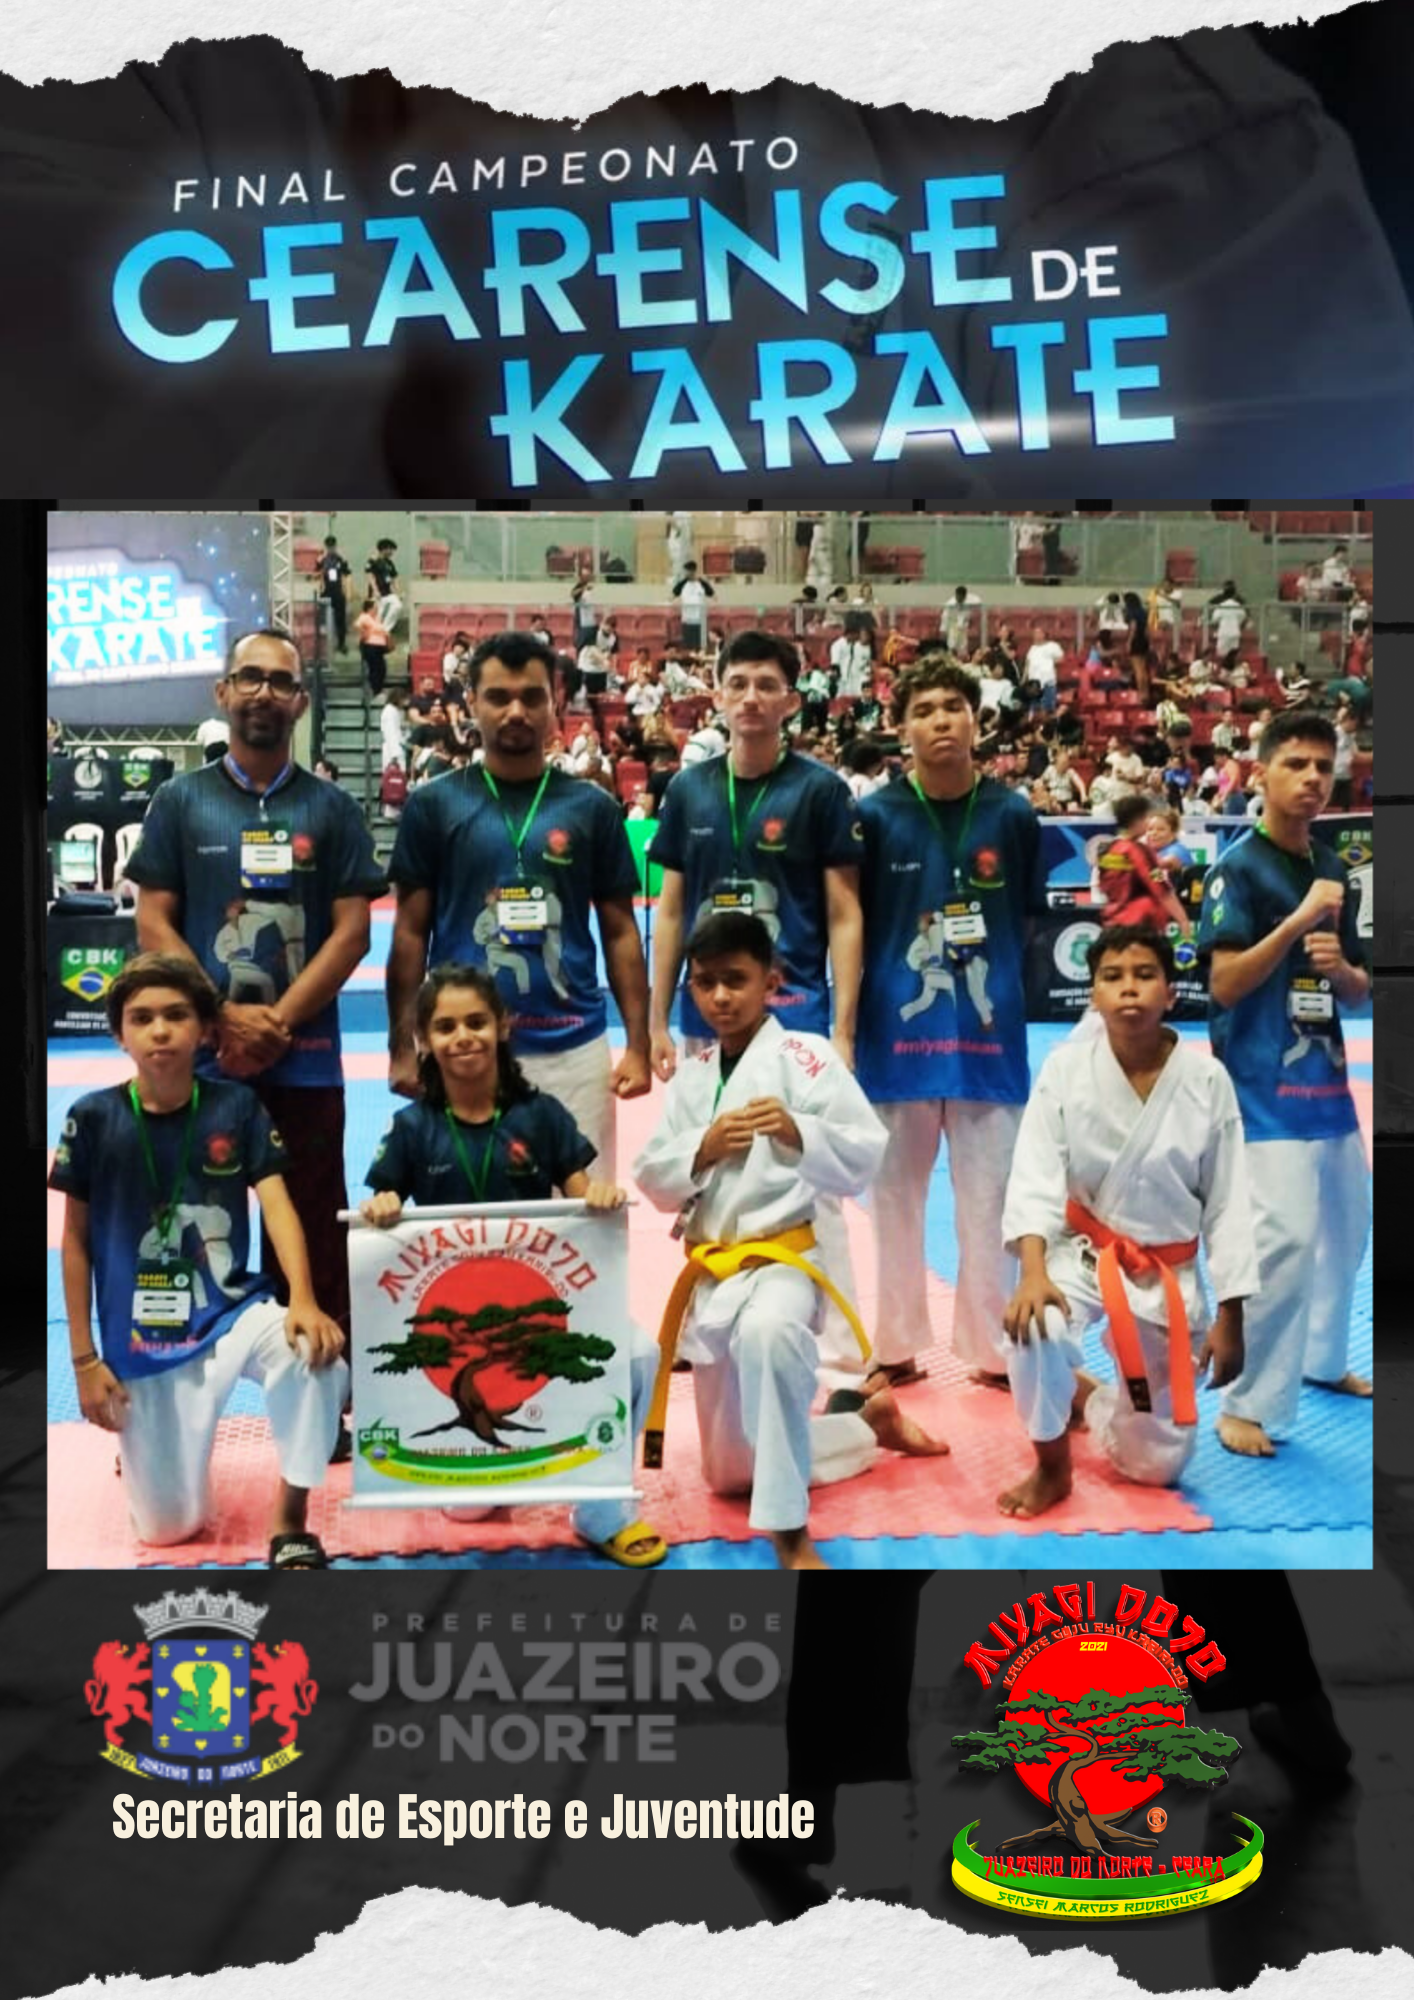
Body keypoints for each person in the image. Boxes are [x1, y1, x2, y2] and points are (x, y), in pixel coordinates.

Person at [633, 912, 946, 1570]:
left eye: (736, 980)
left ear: (771, 983)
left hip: (785, 1260)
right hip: (714, 1271)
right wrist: (703, 1147)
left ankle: (790, 1532)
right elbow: (652, 1177)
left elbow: (864, 1152)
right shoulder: (694, 1076)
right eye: (706, 984)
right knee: (729, 1475)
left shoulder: (808, 1059)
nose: (721, 997)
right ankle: (862, 1425)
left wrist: (797, 1130)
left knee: (770, 1336)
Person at [127, 630, 385, 1347]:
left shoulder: (332, 809)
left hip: (305, 1064)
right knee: (183, 1229)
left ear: (300, 701)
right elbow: (153, 921)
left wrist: (275, 1024)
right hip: (199, 1063)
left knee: (313, 1239)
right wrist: (221, 1019)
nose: (263, 692)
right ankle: (170, 1380)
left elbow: (352, 933)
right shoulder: (180, 801)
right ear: (223, 693)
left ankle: (322, 1391)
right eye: (249, 677)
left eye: (280, 681)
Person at [360, 965, 667, 1568]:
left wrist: (598, 1196)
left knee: (638, 1354)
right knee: (470, 1509)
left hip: (539, 1309)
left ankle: (602, 1508)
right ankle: (490, 1461)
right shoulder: (412, 1128)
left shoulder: (540, 1115)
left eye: (476, 1022)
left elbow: (582, 1193)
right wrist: (382, 1206)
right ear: (425, 1040)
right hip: (453, 1328)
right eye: (445, 1027)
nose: (463, 1037)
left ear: (503, 1026)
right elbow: (380, 1201)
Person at [48, 954, 347, 1564]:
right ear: (119, 1034)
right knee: (167, 1530)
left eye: (177, 1015)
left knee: (314, 1357)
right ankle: (152, 1451)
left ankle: (290, 1520)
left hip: (230, 1313)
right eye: (142, 1018)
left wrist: (304, 1300)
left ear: (206, 1029)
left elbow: (278, 1206)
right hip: (142, 1338)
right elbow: (74, 1242)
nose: (160, 1030)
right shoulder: (92, 1118)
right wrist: (83, 1361)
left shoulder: (235, 1107)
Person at [647, 628, 865, 1375]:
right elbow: (670, 911)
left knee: (810, 1179)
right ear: (716, 694)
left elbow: (843, 914)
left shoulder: (820, 791)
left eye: (766, 685)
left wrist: (842, 1029)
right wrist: (654, 1022)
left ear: (792, 701)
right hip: (707, 1012)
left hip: (794, 1012)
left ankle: (842, 1355)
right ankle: (708, 1322)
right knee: (707, 1167)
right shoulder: (689, 789)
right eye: (737, 683)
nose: (750, 698)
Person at [996, 926, 1256, 1517]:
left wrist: (1232, 1314)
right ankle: (1052, 1465)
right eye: (1112, 977)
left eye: (1144, 975)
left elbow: (1229, 1201)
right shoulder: (1065, 1069)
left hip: (1166, 1269)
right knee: (1035, 1329)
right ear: (1093, 994)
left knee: (1156, 1467)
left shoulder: (1206, 1081)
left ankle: (1090, 1400)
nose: (1129, 989)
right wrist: (1033, 1272)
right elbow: (1034, 1171)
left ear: (1170, 991)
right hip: (1084, 1252)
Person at [385, 630, 651, 1179]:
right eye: (498, 697)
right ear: (471, 703)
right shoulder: (434, 804)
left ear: (556, 703)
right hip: (462, 1048)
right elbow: (409, 932)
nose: (515, 711)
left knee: (583, 1214)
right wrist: (402, 1046)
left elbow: (621, 931)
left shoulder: (592, 807)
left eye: (531, 697)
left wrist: (639, 1044)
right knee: (469, 1213)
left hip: (571, 1044)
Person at [855, 657, 1048, 1388]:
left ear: (976, 720)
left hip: (988, 1041)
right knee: (893, 1202)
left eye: (953, 707)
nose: (941, 721)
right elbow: (856, 922)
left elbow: (1024, 918)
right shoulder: (875, 816)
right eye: (925, 710)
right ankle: (894, 1346)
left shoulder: (1013, 813)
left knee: (991, 1202)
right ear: (901, 727)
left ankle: (994, 1350)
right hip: (894, 1037)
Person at [1197, 709, 1372, 1457]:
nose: (1311, 779)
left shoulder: (1333, 868)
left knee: (1348, 1229)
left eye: (1323, 767)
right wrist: (1297, 924)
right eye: (1296, 764)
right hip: (1260, 1088)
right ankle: (1246, 1401)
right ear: (1260, 772)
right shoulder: (1236, 869)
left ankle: (1323, 1358)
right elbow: (1224, 984)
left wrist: (1344, 973)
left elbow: (1359, 994)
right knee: (1285, 1241)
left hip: (1326, 1085)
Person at [1094, 793, 1192, 933]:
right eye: (1145, 818)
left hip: (1112, 924)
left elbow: (1102, 886)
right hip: (1141, 927)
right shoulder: (1140, 851)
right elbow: (1161, 888)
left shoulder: (1106, 850)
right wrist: (1183, 920)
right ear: (1137, 820)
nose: (1147, 823)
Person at [317, 535, 351, 654]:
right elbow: (315, 572)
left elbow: (347, 574)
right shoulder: (322, 559)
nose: (331, 549)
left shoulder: (340, 559)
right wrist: (320, 560)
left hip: (338, 591)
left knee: (340, 619)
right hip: (326, 592)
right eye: (329, 546)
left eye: (333, 546)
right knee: (322, 620)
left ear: (335, 546)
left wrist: (347, 591)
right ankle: (323, 645)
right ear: (326, 546)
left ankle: (341, 644)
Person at [672, 560, 716, 649]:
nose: (686, 574)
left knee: (701, 645)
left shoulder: (702, 583)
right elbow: (671, 597)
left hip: (700, 619)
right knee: (688, 645)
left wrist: (708, 605)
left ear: (693, 571)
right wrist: (677, 605)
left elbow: (714, 597)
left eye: (688, 571)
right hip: (687, 619)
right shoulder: (682, 584)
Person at [355, 591, 391, 697]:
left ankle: (378, 688)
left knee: (382, 669)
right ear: (369, 608)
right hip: (371, 647)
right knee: (375, 669)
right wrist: (365, 634)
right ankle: (376, 690)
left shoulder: (376, 619)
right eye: (375, 608)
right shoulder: (364, 617)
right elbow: (358, 625)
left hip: (379, 648)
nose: (376, 609)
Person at [365, 537, 401, 629]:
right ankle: (375, 634)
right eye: (391, 549)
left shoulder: (389, 563)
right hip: (377, 594)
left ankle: (385, 629)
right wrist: (375, 590)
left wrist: (398, 591)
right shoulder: (373, 560)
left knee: (397, 605)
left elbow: (394, 577)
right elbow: (370, 576)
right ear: (385, 549)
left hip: (387, 592)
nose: (392, 552)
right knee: (377, 617)